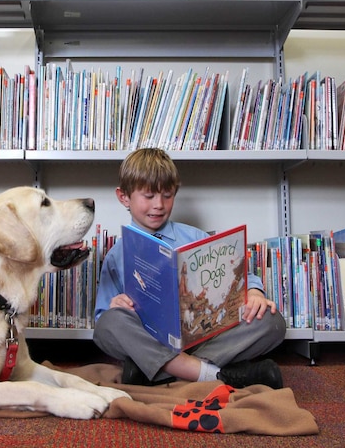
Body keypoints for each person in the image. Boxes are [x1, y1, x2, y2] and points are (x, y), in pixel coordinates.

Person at [93, 148, 286, 388]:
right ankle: (215, 375)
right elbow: (103, 317)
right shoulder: (116, 255)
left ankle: (162, 371)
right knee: (107, 326)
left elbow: (240, 277)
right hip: (150, 338)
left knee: (272, 320)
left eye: (167, 195)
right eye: (149, 196)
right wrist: (116, 305)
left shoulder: (195, 237)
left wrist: (255, 293)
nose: (159, 205)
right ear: (124, 197)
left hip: (203, 335)